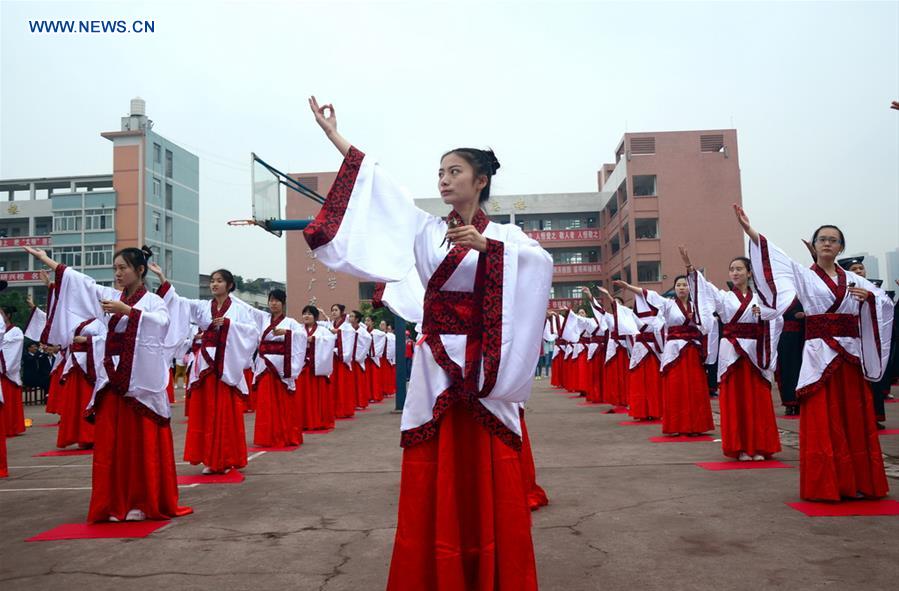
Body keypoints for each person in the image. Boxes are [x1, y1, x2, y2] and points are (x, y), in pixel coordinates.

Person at [303, 96, 551, 589]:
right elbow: (381, 189)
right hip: (435, 365)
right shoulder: (425, 231)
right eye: (439, 172)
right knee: (437, 466)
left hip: (484, 369)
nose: (443, 179)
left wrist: (492, 249)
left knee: (484, 466)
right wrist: (337, 139)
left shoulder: (507, 236)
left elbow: (541, 268)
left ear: (480, 180)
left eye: (454, 171)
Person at [734, 205, 891, 500]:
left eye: (833, 239)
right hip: (820, 354)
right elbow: (774, 258)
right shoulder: (804, 276)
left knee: (854, 417)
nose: (828, 243)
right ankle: (829, 483)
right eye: (823, 239)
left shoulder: (855, 281)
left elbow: (883, 302)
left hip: (850, 356)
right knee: (823, 416)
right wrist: (750, 232)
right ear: (815, 245)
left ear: (841, 246)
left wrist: (870, 299)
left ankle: (858, 481)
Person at [24, 245, 192, 522]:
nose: (117, 273)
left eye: (123, 268)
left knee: (138, 445)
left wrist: (128, 311)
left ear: (139, 270)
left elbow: (161, 325)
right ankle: (116, 502)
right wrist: (50, 262)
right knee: (113, 444)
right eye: (115, 268)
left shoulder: (151, 301)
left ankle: (141, 500)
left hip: (140, 386)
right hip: (112, 381)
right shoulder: (110, 298)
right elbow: (83, 284)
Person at [151, 265, 260, 475]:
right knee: (206, 411)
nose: (214, 284)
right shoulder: (202, 307)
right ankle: (210, 457)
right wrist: (162, 277)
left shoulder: (240, 309)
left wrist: (229, 324)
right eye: (212, 280)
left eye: (219, 280)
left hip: (226, 364)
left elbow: (252, 334)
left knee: (224, 411)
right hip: (205, 363)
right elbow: (178, 302)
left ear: (229, 285)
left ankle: (227, 457)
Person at [681, 246, 783, 461]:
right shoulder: (724, 297)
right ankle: (740, 446)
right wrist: (690, 268)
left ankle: (760, 445)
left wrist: (763, 314)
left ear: (749, 272)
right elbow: (704, 289)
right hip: (732, 353)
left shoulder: (761, 299)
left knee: (757, 400)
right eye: (731, 270)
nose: (735, 273)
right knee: (736, 400)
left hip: (755, 352)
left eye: (739, 269)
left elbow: (777, 319)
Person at [615, 277, 715, 436]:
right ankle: (677, 425)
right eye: (678, 285)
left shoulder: (697, 306)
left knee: (694, 386)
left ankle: (696, 425)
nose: (682, 288)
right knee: (676, 386)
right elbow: (650, 294)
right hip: (675, 350)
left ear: (690, 288)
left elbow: (707, 325)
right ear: (675, 288)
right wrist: (628, 286)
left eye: (685, 285)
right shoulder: (668, 304)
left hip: (692, 350)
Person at [247, 289, 306, 448]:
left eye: (277, 301)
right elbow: (248, 310)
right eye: (271, 300)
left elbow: (302, 336)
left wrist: (287, 332)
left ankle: (285, 434)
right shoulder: (263, 318)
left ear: (283, 303)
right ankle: (266, 436)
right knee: (266, 401)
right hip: (264, 364)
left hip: (281, 366)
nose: (273, 303)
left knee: (283, 401)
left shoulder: (291, 322)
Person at [298, 305, 337, 431]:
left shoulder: (323, 330)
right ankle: (302, 421)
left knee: (317, 396)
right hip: (302, 367)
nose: (306, 316)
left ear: (315, 317)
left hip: (317, 368)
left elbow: (331, 340)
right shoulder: (298, 329)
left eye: (309, 314)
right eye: (304, 313)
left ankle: (318, 420)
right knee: (302, 395)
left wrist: (314, 339)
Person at [0, 307, 25, 438]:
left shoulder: (16, 331)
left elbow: (12, 349)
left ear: (8, 315)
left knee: (7, 401)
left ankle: (10, 427)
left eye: (2, 313)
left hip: (7, 374)